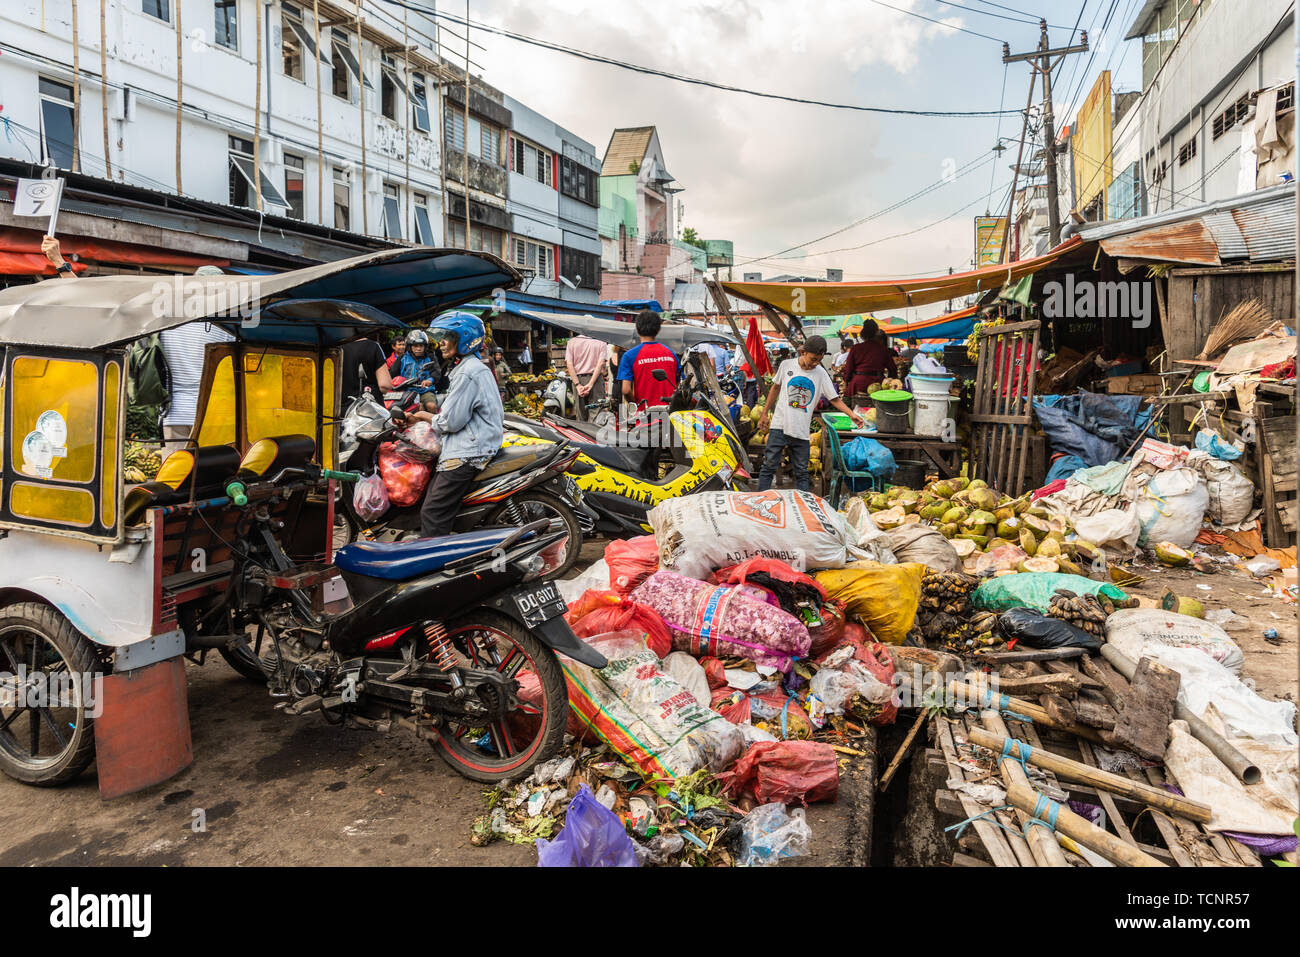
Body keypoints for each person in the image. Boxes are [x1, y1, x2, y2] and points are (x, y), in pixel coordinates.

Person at [394, 312, 502, 538]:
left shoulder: (468, 372)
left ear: (463, 339)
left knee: (433, 512)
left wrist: (422, 414)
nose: (441, 342)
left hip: (467, 452)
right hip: (470, 446)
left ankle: (433, 563)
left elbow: (449, 422)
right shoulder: (470, 368)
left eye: (447, 337)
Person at [757, 336, 865, 493]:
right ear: (803, 352)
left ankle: (804, 506)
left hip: (801, 430)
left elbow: (833, 398)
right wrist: (764, 413)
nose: (815, 363)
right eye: (813, 359)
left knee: (802, 472)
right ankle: (759, 499)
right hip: (779, 425)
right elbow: (775, 388)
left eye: (819, 360)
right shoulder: (786, 365)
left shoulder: (820, 373)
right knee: (769, 466)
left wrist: (851, 414)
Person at [157, 265, 236, 450]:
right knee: (206, 474)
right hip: (211, 415)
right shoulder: (225, 327)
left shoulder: (168, 322)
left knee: (174, 474)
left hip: (173, 414)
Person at [616, 310, 679, 410]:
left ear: (637, 329)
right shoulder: (671, 354)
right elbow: (678, 385)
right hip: (670, 413)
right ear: (658, 330)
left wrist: (636, 405)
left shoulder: (629, 356)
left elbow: (626, 390)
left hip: (645, 415)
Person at [843, 319, 897, 398]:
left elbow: (848, 369)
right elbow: (893, 369)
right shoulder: (883, 349)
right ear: (876, 333)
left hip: (858, 383)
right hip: (878, 383)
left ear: (863, 334)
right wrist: (889, 382)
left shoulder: (856, 348)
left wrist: (846, 380)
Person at [564, 333, 609, 420]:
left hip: (577, 380)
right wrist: (591, 384)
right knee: (597, 414)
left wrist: (577, 385)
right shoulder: (601, 342)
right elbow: (601, 363)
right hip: (596, 381)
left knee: (580, 415)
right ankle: (594, 433)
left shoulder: (572, 342)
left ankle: (582, 433)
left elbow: (569, 364)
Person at [340, 336, 394, 406]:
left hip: (341, 409)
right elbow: (385, 385)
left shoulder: (336, 348)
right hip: (370, 409)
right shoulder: (373, 346)